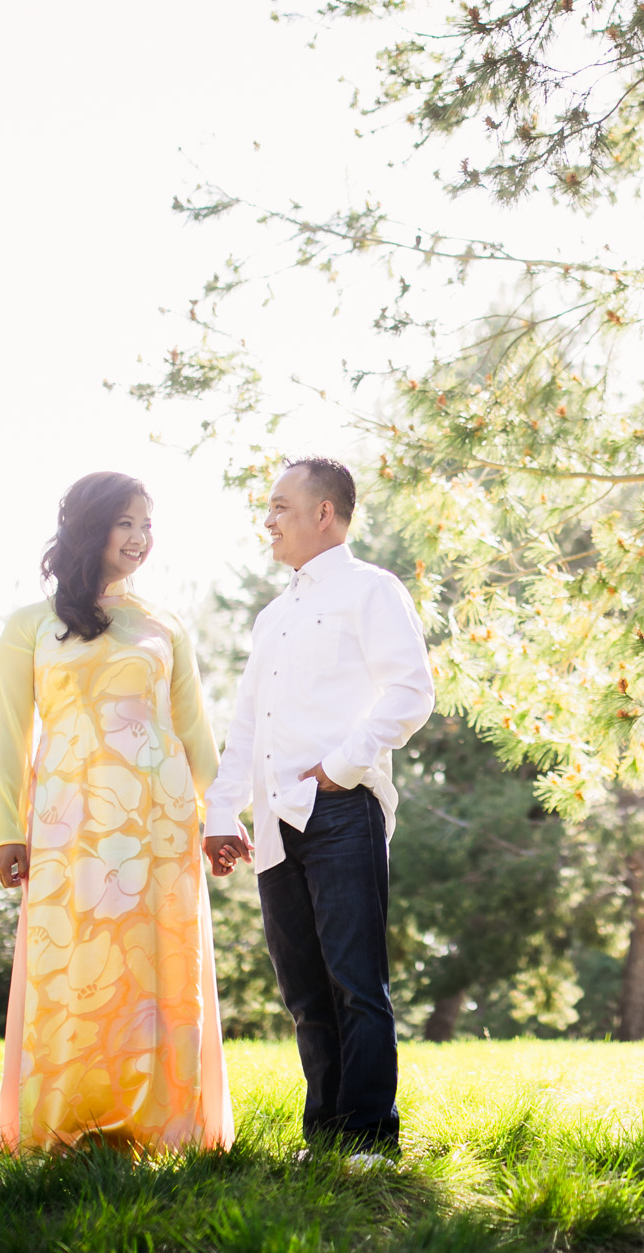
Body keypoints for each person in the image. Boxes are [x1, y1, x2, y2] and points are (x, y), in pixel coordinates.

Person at [0, 471, 232, 1152]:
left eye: (147, 524)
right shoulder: (28, 626)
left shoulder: (163, 624)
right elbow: (10, 733)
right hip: (68, 825)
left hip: (160, 823)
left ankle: (162, 1122)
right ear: (89, 526)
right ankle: (70, 1115)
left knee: (152, 965)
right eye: (126, 522)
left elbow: (194, 730)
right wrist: (9, 827)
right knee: (75, 963)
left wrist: (219, 815)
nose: (140, 537)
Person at [202, 456, 434, 1163]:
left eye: (279, 507)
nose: (267, 521)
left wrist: (340, 767)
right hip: (275, 825)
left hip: (341, 812)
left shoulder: (372, 590)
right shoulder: (273, 615)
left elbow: (410, 690)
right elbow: (247, 723)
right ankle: (327, 1137)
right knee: (304, 992)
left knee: (356, 982)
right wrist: (221, 811)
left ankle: (369, 1138)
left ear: (323, 513)